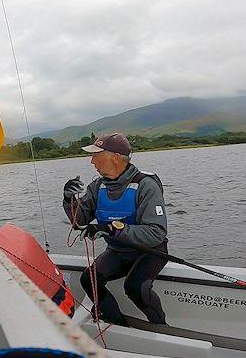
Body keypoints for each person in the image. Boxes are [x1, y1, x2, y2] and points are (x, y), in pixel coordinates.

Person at [63, 133, 168, 326]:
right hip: (118, 251)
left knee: (135, 287)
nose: (92, 161)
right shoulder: (97, 186)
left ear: (116, 158)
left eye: (97, 155)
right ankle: (119, 325)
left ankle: (161, 328)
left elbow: (156, 233)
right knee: (89, 280)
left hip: (149, 252)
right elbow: (80, 221)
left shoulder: (145, 186)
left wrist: (112, 229)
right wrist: (69, 200)